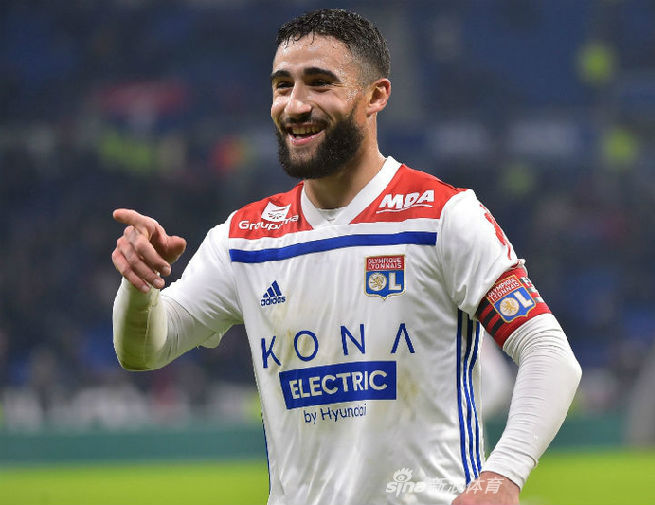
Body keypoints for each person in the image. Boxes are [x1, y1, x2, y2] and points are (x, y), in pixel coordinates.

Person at [110, 9, 580, 505]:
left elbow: (548, 352)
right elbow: (144, 350)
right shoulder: (243, 240)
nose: (295, 105)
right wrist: (140, 287)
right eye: (283, 86)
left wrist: (502, 476)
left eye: (319, 83)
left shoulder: (442, 217)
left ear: (376, 96)